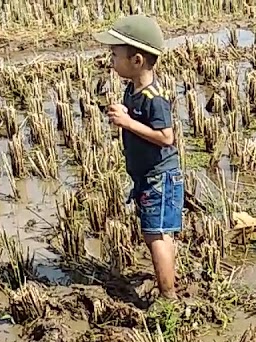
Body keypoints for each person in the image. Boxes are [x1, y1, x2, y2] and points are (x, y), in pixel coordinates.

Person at [95, 15, 182, 301]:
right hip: (147, 176)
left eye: (115, 54)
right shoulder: (132, 90)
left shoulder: (155, 98)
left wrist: (128, 123)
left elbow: (166, 137)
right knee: (157, 233)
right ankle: (169, 280)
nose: (111, 60)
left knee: (155, 236)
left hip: (161, 176)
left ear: (137, 61)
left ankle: (168, 298)